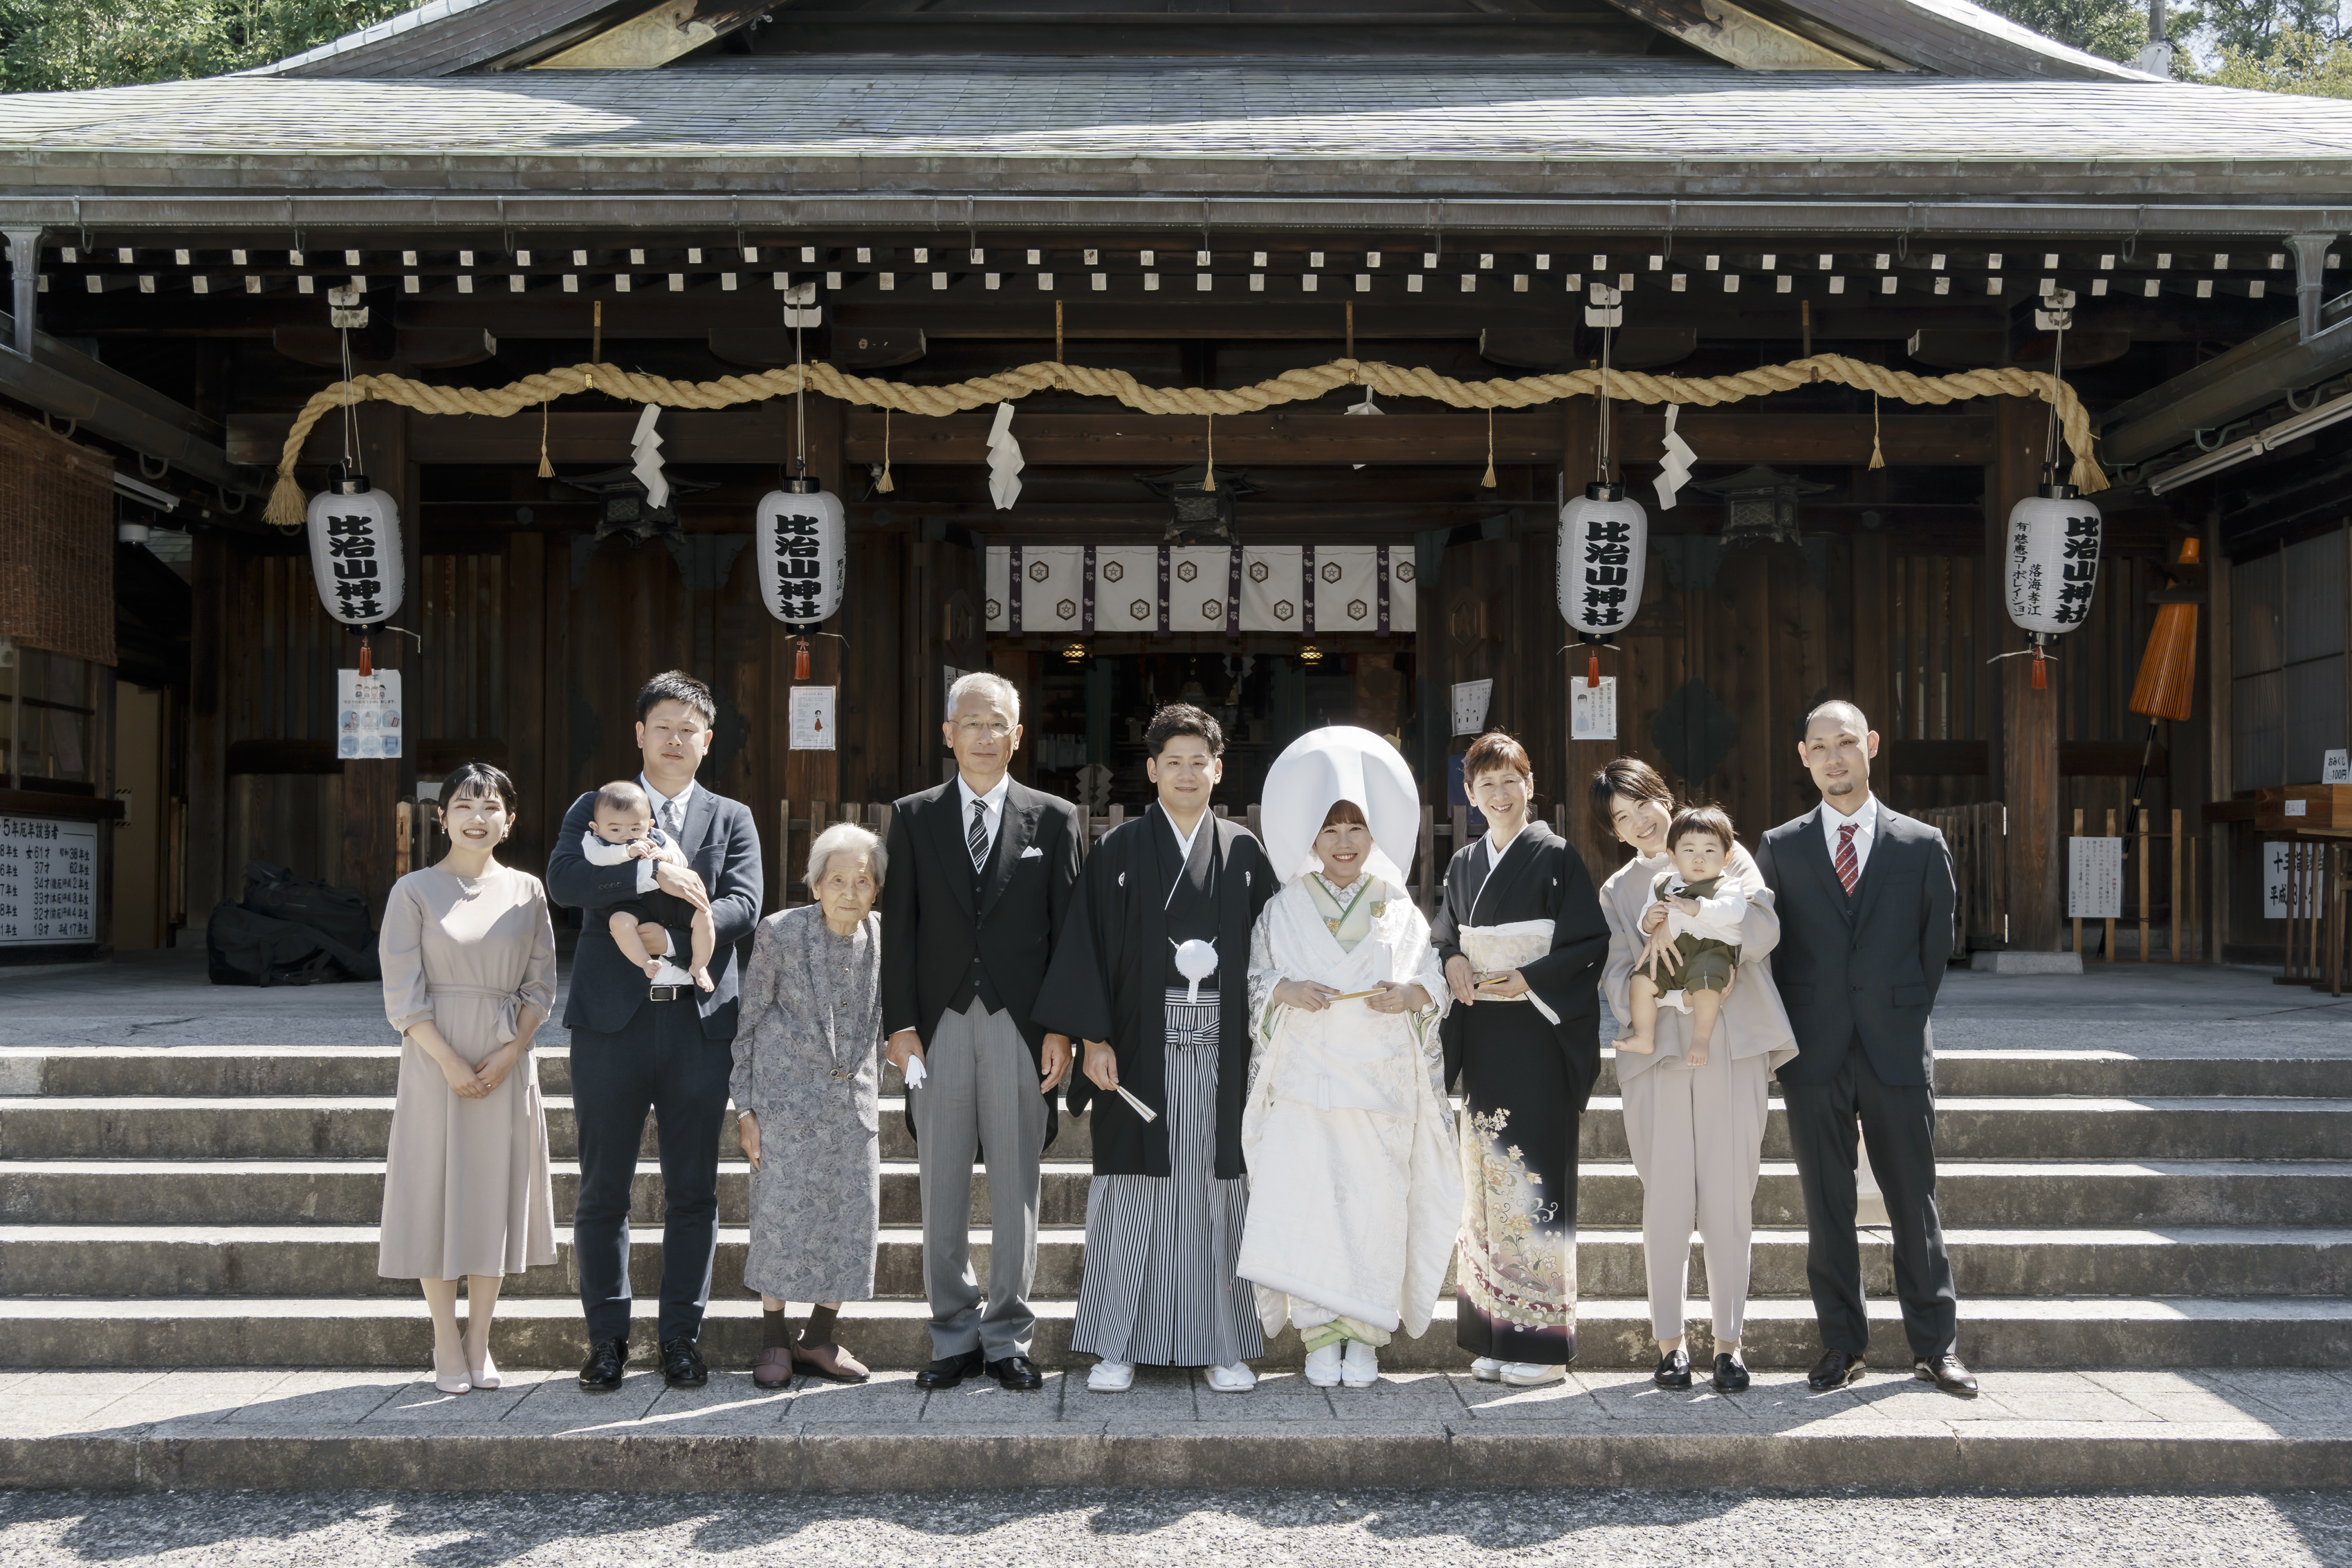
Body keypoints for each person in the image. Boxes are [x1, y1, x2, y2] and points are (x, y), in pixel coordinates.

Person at [1033, 703, 1278, 1394]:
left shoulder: (1244, 853)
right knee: (1134, 1192)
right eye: (1172, 761)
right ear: (1150, 771)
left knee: (1218, 1191)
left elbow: (1271, 954)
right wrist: (1092, 1038)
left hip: (1223, 1054)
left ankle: (1223, 1342)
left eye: (1199, 760)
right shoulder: (1118, 850)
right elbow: (1084, 945)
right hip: (1136, 1050)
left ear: (1218, 768)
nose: (1186, 773)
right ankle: (1116, 1343)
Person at [546, 670, 764, 1394]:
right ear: (639, 733)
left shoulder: (731, 816)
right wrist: (649, 884)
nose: (675, 737)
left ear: (708, 740)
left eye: (689, 727)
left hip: (699, 1024)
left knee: (693, 1190)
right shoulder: (597, 804)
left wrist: (672, 943)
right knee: (602, 1188)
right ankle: (606, 1339)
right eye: (662, 724)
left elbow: (743, 906)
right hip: (610, 1022)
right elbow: (566, 882)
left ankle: (679, 1337)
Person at [1756, 700, 1974, 1398]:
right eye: (1819, 746)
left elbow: (1934, 945)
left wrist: (1900, 1013)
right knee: (1826, 1206)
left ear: (1871, 745)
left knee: (1913, 1202)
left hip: (1895, 1044)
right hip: (1813, 1050)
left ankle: (1935, 1346)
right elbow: (1770, 949)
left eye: (1845, 742)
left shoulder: (1919, 843)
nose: (1834, 756)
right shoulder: (1780, 846)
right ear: (1803, 756)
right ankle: (1842, 1343)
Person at [1237, 726, 1460, 1391]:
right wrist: (1285, 989)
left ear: (1373, 838)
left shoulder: (1401, 910)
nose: (1343, 841)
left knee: (1373, 1207)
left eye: (1355, 828)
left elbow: (1436, 981)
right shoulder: (1282, 909)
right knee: (1309, 1207)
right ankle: (1318, 1331)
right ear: (1311, 838)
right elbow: (1254, 980)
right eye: (1330, 828)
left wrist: (1413, 993)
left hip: (1378, 1088)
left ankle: (1365, 1334)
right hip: (1305, 1086)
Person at [880, 671, 1083, 1394]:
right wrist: (898, 1023)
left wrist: (1061, 1025)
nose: (985, 735)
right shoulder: (910, 816)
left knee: (1016, 1185)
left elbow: (1070, 936)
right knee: (939, 1184)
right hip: (936, 1025)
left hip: (1019, 1026)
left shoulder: (1053, 817)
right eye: (971, 722)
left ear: (1018, 734)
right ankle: (952, 1333)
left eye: (998, 722)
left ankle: (1007, 1334)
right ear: (948, 733)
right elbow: (897, 927)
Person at [1595, 757, 1795, 1394]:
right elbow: (1614, 970)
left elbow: (1762, 932)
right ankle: (1670, 1343)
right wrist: (1642, 969)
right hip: (1657, 1053)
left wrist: (1704, 914)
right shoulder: (1620, 890)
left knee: (1732, 1199)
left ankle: (1731, 1344)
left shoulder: (1723, 854)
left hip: (1730, 1042)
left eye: (1644, 804)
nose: (1639, 822)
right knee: (1667, 1200)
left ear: (1665, 797)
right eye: (1622, 818)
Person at [1428, 730, 1610, 1388]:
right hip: (1484, 1037)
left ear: (1530, 785)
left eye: (1511, 780)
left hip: (1536, 1036)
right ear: (1470, 796)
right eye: (1485, 785)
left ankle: (1541, 1345)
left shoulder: (1557, 856)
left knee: (1534, 1185)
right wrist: (1452, 960)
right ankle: (1494, 1330)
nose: (1499, 794)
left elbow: (1588, 940)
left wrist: (1530, 977)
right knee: (1485, 1190)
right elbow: (1445, 928)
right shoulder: (1464, 863)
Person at [377, 761, 557, 1396]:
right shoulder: (414, 891)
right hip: (433, 1057)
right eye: (464, 805)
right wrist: (447, 1058)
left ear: (509, 821)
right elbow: (401, 990)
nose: (477, 818)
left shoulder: (529, 891)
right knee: (433, 1190)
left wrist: (510, 1054)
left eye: (490, 808)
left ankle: (481, 1337)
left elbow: (541, 985)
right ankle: (444, 1339)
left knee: (490, 1195)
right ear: (441, 816)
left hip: (506, 1059)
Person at [733, 822, 888, 1390]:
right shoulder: (779, 931)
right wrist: (745, 1108)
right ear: (815, 882)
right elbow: (746, 1023)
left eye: (863, 880)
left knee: (852, 1220)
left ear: (876, 890)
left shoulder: (884, 937)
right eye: (838, 878)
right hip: (785, 1105)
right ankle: (773, 1337)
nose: (850, 890)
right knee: (779, 1218)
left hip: (853, 1106)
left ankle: (819, 1337)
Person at [1621, 805, 1749, 1067]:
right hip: (1670, 956)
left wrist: (1699, 908)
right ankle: (1644, 1035)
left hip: (1709, 952)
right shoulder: (1662, 882)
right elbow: (1645, 922)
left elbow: (1735, 912)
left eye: (1710, 850)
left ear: (1727, 857)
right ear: (1673, 855)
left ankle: (1700, 1038)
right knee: (1640, 981)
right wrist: (1648, 920)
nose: (1699, 858)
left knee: (1706, 981)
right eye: (1689, 850)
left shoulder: (1728, 885)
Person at [580, 779, 716, 993]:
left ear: (650, 825)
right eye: (615, 829)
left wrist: (665, 856)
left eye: (636, 827)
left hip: (669, 900)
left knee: (703, 914)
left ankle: (699, 966)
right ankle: (644, 961)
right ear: (596, 828)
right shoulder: (595, 842)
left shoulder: (658, 837)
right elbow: (596, 858)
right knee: (619, 922)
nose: (626, 835)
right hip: (632, 902)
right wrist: (626, 852)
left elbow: (681, 861)